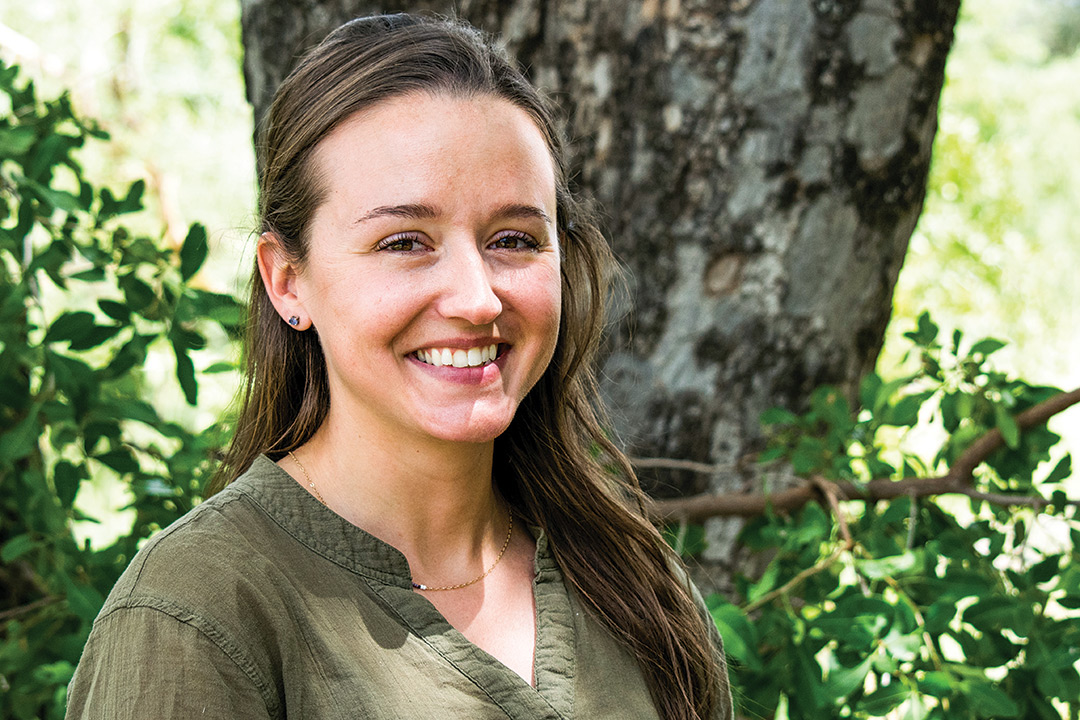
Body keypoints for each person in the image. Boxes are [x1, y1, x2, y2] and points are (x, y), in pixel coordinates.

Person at [65, 13, 733, 720]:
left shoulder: (636, 585)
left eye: (513, 239)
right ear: (288, 280)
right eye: (405, 242)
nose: (477, 299)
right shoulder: (198, 614)